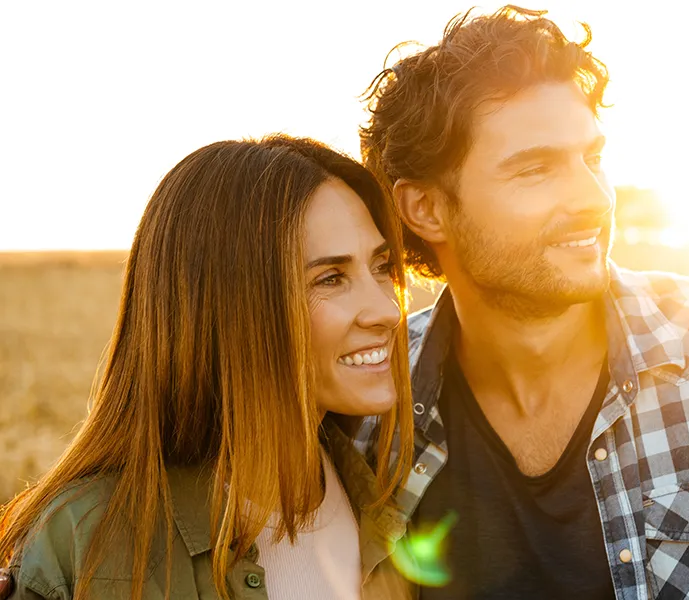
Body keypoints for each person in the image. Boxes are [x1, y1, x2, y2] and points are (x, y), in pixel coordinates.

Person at [357, 5, 689, 599]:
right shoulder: (368, 407)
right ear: (426, 208)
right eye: (536, 169)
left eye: (592, 158)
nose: (593, 197)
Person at [0, 135, 415, 599]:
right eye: (331, 278)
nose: (388, 310)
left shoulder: (390, 507)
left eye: (382, 267)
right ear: (228, 310)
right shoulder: (84, 547)